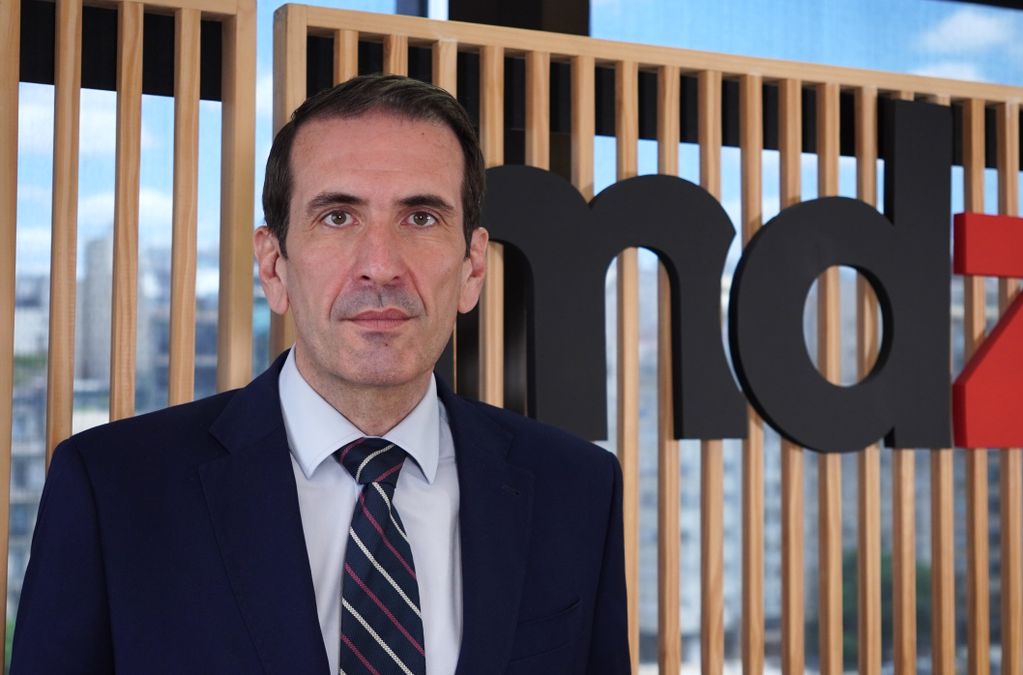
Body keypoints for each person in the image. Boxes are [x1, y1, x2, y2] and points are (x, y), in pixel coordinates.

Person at [11, 74, 630, 675]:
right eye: (338, 216)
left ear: (472, 267)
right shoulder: (115, 490)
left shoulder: (577, 489)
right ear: (274, 266)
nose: (381, 266)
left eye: (421, 217)